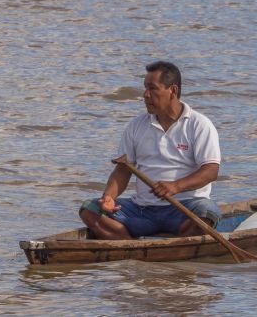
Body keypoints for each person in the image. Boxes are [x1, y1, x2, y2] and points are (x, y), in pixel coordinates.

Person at [79, 61, 222, 240]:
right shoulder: (136, 126)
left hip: (185, 208)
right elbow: (123, 170)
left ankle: (175, 242)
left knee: (208, 214)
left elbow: (210, 171)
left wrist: (175, 187)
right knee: (89, 210)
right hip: (142, 211)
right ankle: (129, 247)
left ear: (173, 91)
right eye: (145, 88)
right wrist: (108, 197)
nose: (145, 95)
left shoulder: (199, 125)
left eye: (152, 89)